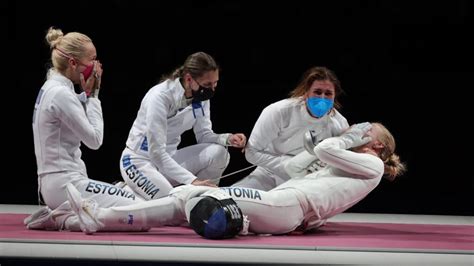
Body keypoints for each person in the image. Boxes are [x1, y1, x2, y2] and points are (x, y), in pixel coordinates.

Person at [65, 122, 405, 238]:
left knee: (194, 199)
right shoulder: (354, 162)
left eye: (365, 130)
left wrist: (343, 138)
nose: (357, 130)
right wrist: (313, 148)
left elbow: (330, 149)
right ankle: (98, 218)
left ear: (377, 144)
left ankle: (100, 217)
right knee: (187, 196)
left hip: (286, 205)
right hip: (283, 205)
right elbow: (297, 169)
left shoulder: (371, 166)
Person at [25, 27, 144, 231]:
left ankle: (62, 214)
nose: (96, 66)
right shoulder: (61, 94)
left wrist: (86, 94)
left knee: (136, 207)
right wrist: (94, 96)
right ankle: (61, 218)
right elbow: (95, 140)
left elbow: (71, 112)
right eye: (92, 59)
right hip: (66, 185)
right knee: (141, 213)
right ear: (73, 63)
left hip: (56, 185)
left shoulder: (52, 88)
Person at [118, 51, 246, 200]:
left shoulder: (201, 97)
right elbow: (156, 153)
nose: (212, 89)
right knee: (171, 204)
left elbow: (204, 135)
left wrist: (228, 139)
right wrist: (192, 181)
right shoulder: (159, 97)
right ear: (189, 79)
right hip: (139, 162)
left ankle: (203, 200)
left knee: (219, 153)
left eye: (215, 83)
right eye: (207, 84)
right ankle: (127, 191)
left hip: (168, 162)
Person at [232, 66, 349, 191]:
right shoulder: (279, 111)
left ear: (334, 96)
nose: (322, 98)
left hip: (309, 180)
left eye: (328, 93)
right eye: (317, 92)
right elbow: (251, 152)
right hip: (270, 173)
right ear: (306, 93)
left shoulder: (339, 124)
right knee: (230, 200)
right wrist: (289, 166)